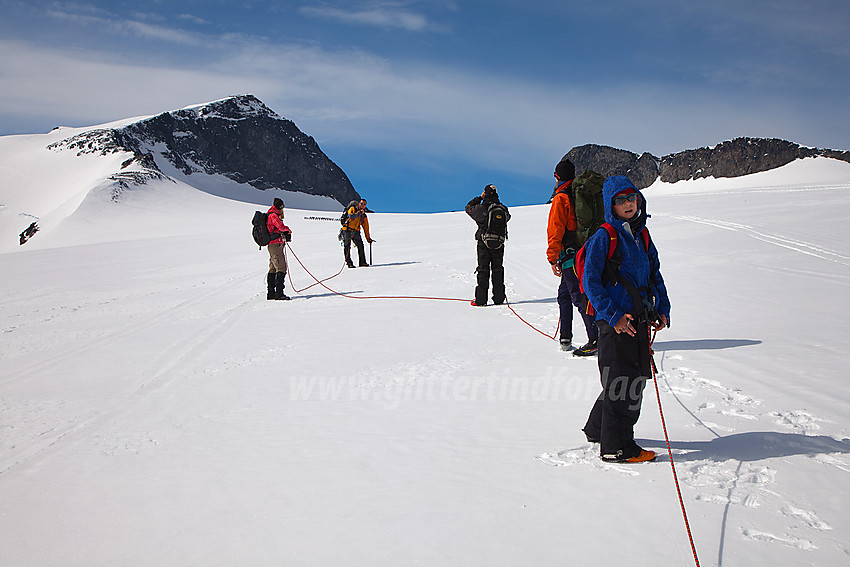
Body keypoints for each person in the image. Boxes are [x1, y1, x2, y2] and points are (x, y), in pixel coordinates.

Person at [580, 175, 670, 463]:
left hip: (638, 320)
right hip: (615, 323)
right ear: (610, 205)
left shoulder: (642, 235)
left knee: (632, 379)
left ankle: (599, 430)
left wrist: (662, 307)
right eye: (620, 200)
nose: (628, 204)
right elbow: (590, 282)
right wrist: (614, 316)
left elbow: (654, 274)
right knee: (623, 384)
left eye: (631, 198)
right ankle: (616, 447)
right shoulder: (604, 237)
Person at [546, 159, 600, 355]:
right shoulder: (580, 193)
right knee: (564, 294)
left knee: (579, 296)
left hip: (571, 255)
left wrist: (552, 258)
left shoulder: (562, 197)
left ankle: (595, 338)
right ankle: (566, 337)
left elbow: (555, 229)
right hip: (585, 250)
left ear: (557, 176)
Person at [465, 184, 510, 306]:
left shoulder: (481, 208)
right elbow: (508, 217)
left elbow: (468, 208)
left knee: (483, 269)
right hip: (499, 243)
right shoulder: (503, 209)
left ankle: (481, 300)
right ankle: (499, 298)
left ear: (485, 193)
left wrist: (479, 198)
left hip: (483, 243)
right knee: (498, 269)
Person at [266, 198, 292, 300]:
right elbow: (280, 227)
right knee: (281, 268)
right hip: (275, 245)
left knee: (273, 268)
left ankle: (271, 293)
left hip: (273, 245)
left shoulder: (270, 214)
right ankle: (279, 294)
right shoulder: (273, 215)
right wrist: (288, 230)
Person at [341, 198, 374, 268]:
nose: (362, 205)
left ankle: (362, 262)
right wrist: (360, 213)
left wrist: (368, 238)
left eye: (364, 204)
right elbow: (351, 216)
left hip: (356, 231)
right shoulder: (353, 209)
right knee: (347, 246)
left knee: (360, 246)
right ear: (359, 203)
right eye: (361, 203)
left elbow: (366, 228)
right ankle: (349, 263)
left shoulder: (363, 216)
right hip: (347, 229)